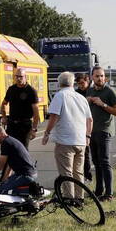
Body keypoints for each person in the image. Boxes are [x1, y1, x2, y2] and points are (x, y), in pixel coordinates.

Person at [42, 71, 93, 204]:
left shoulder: (60, 96)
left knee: (66, 172)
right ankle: (80, 197)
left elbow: (54, 116)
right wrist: (88, 135)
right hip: (81, 141)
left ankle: (69, 198)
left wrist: (47, 133)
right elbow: (90, 120)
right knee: (78, 171)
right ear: (72, 83)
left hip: (65, 141)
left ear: (59, 83)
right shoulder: (81, 97)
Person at [86, 66, 116, 201]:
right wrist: (87, 101)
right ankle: (98, 191)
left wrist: (103, 104)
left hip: (104, 131)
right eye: (97, 76)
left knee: (105, 162)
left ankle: (109, 194)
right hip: (92, 131)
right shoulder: (90, 91)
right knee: (96, 162)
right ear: (92, 77)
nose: (100, 78)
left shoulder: (110, 92)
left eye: (102, 76)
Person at [0, 125, 38, 194]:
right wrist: (5, 180)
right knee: (2, 186)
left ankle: (32, 190)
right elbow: (9, 165)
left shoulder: (6, 143)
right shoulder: (10, 140)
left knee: (2, 191)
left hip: (26, 175)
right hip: (28, 173)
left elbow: (0, 166)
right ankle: (27, 187)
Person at [0, 68, 40, 148]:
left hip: (25, 126)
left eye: (21, 76)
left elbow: (36, 113)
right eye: (17, 76)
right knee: (9, 148)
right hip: (12, 125)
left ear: (25, 77)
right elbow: (4, 103)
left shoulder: (31, 91)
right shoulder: (11, 89)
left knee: (22, 149)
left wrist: (34, 129)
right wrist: (4, 117)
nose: (18, 78)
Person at [74, 73, 94, 181]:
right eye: (78, 83)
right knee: (85, 152)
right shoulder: (76, 93)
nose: (80, 85)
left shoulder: (92, 91)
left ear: (88, 81)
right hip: (81, 125)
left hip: (92, 123)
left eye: (82, 83)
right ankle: (86, 175)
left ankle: (88, 174)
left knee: (93, 152)